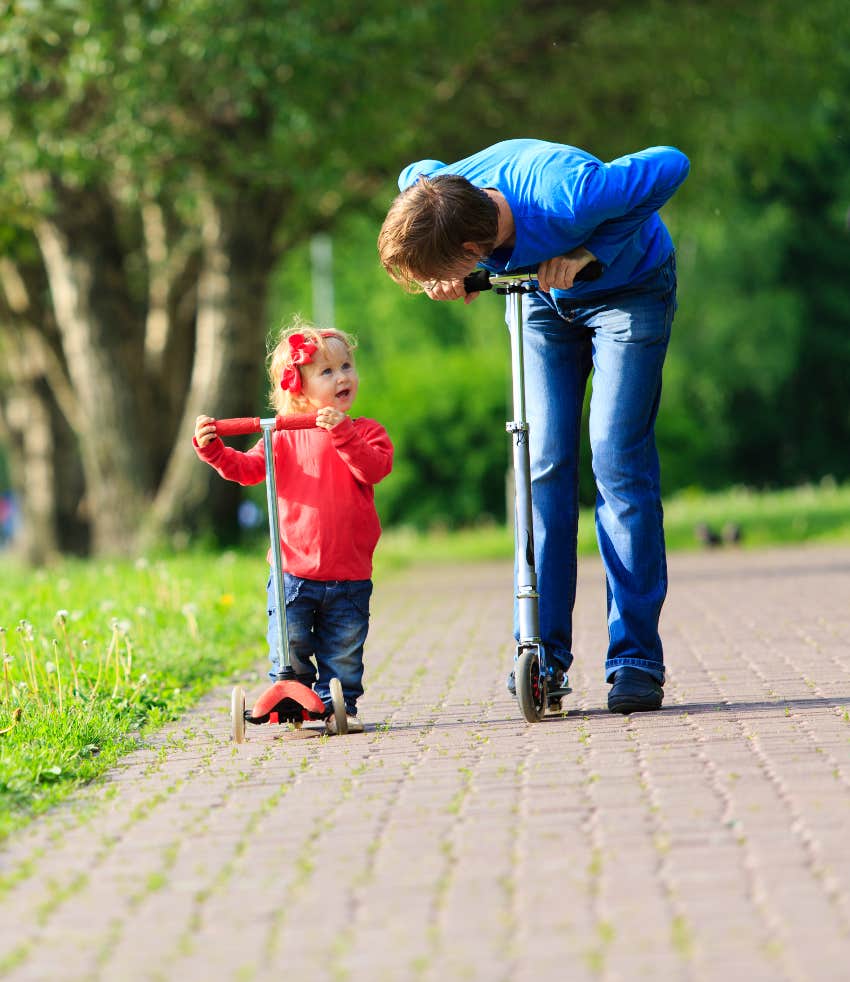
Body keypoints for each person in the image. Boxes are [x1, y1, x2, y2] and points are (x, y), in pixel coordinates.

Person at [378, 138, 689, 713]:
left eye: (445, 271)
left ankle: (636, 660)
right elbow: (411, 173)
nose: (434, 285)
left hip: (629, 291)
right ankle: (542, 655)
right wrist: (441, 277)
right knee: (541, 462)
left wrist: (593, 249)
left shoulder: (569, 195)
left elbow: (671, 164)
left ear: (472, 248)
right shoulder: (437, 190)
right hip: (542, 301)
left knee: (615, 459)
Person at [194, 322, 393, 733]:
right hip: (293, 570)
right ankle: (295, 699)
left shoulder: (365, 432)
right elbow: (248, 470)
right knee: (291, 642)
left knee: (344, 649)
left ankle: (340, 706)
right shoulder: (282, 437)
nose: (342, 377)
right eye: (327, 371)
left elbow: (373, 468)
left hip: (349, 571)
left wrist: (342, 433)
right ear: (298, 388)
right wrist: (215, 451)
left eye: (347, 366)